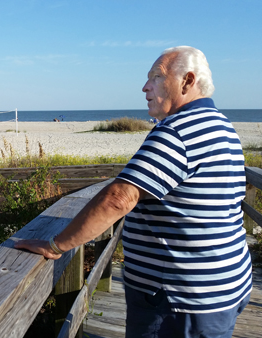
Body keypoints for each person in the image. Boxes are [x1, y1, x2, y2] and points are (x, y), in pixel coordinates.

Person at [15, 46, 252, 338]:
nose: (145, 87)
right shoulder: (222, 126)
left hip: (180, 299)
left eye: (156, 77)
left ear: (187, 82)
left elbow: (119, 198)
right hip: (224, 284)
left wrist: (55, 245)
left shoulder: (177, 131)